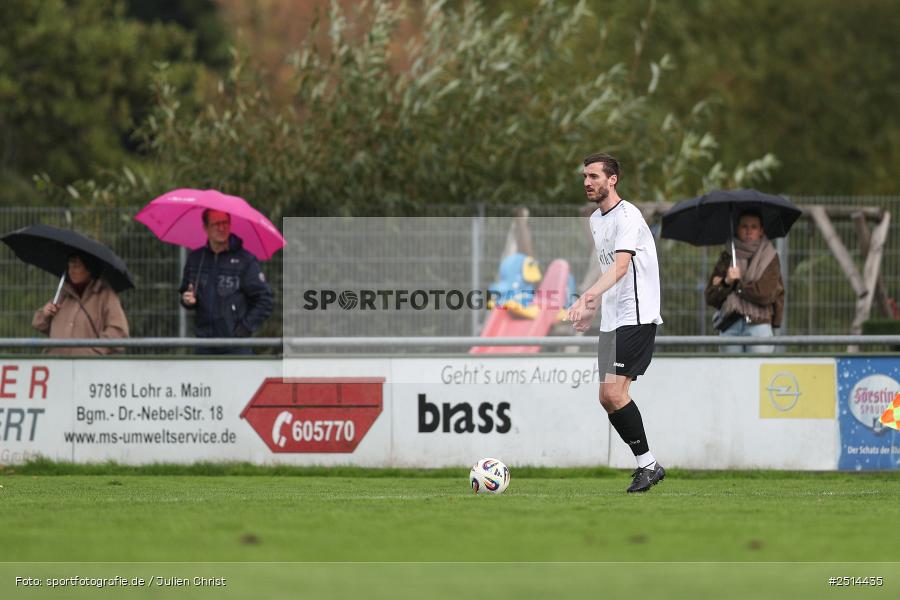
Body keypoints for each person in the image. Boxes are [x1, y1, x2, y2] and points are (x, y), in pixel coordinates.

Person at [568, 153, 666, 493]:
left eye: (594, 176)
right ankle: (648, 465)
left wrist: (587, 297)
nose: (587, 182)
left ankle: (648, 465)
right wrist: (594, 304)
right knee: (606, 398)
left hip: (636, 315)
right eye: (585, 176)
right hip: (612, 319)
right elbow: (605, 266)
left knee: (615, 392)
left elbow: (622, 267)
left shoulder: (629, 216)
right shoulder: (597, 219)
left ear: (613, 180)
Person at [179, 209, 274, 354]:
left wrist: (246, 328)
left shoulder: (246, 261)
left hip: (236, 348)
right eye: (216, 224)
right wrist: (187, 300)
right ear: (205, 228)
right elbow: (186, 293)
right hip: (203, 346)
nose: (221, 228)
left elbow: (265, 299)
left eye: (225, 223)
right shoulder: (195, 259)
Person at [704, 209, 785, 353]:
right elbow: (710, 296)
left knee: (757, 373)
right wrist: (727, 282)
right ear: (737, 229)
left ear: (761, 230)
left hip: (759, 326)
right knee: (730, 373)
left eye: (754, 227)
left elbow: (766, 294)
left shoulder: (770, 258)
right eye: (744, 226)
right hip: (730, 326)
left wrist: (736, 284)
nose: (749, 231)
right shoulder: (728, 255)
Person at [32, 254, 129, 355]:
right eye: (69, 266)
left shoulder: (105, 296)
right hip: (56, 364)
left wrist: (95, 351)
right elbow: (40, 324)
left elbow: (118, 331)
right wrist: (45, 314)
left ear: (89, 268)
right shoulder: (63, 294)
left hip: (90, 367)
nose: (71, 271)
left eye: (76, 266)